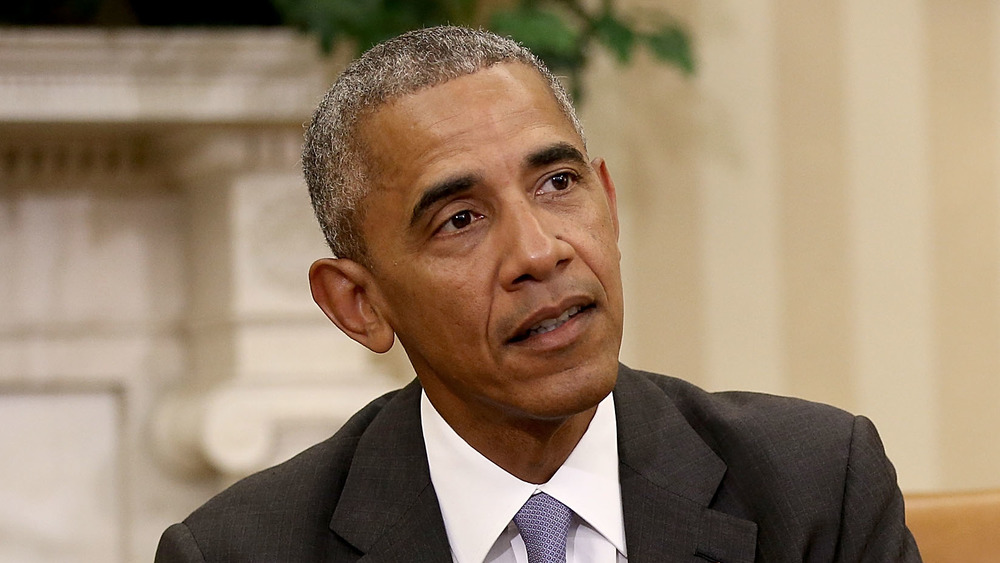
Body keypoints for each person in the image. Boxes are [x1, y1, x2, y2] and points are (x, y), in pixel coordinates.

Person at [155, 26, 921, 562]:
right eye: (460, 219)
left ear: (609, 204)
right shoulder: (242, 551)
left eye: (558, 183)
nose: (538, 251)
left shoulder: (815, 487)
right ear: (359, 304)